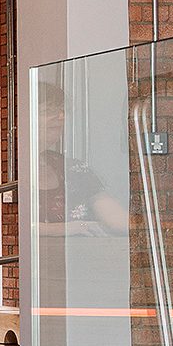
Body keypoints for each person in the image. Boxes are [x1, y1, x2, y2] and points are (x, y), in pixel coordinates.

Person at [32, 80, 130, 234]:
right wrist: (65, 229)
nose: (61, 116)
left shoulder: (72, 168)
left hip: (83, 255)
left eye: (62, 110)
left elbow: (114, 216)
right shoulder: (8, 170)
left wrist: (161, 226)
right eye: (48, 110)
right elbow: (13, 225)